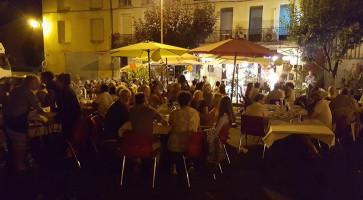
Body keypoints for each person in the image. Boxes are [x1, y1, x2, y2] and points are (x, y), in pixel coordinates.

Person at [3, 75, 44, 171]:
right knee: (20, 145)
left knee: (14, 145)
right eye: (36, 83)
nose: (38, 85)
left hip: (7, 122)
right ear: (30, 83)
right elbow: (39, 109)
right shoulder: (29, 93)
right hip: (17, 122)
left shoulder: (16, 90)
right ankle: (21, 168)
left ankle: (15, 166)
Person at [167, 91, 200, 175]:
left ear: (178, 102)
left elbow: (169, 125)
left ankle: (166, 171)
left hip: (175, 146)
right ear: (189, 101)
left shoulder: (174, 113)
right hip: (191, 145)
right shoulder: (195, 113)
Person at [55, 73, 81, 140]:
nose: (55, 82)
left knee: (66, 138)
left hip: (69, 120)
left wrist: (55, 117)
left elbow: (64, 108)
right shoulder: (69, 90)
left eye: (57, 80)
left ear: (62, 82)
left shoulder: (64, 92)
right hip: (74, 119)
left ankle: (67, 148)